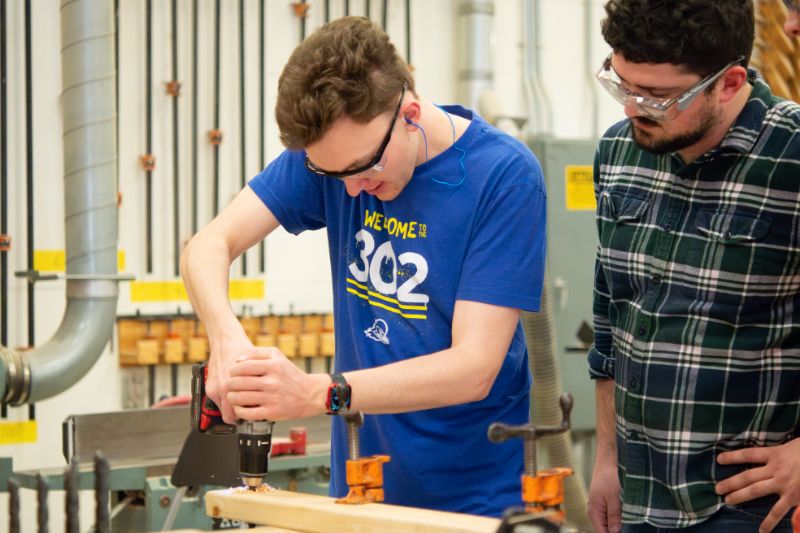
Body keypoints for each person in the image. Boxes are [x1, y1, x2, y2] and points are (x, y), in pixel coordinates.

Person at [180, 16, 547, 517]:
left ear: (410, 113)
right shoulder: (337, 156)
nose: (350, 190)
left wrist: (317, 392)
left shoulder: (503, 177)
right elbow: (208, 245)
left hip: (474, 502)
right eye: (332, 174)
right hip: (358, 488)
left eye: (362, 168)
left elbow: (473, 369)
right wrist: (225, 339)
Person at [585, 1, 800, 532]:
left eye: (657, 96)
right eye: (621, 83)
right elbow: (611, 327)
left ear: (728, 83)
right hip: (640, 496)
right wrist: (607, 461)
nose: (634, 107)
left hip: (749, 505)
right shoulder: (618, 152)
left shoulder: (791, 157)